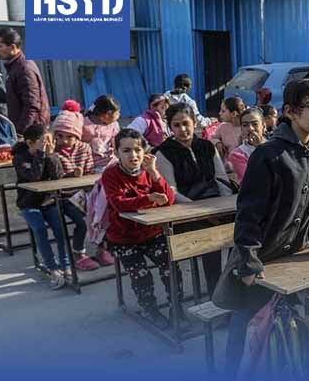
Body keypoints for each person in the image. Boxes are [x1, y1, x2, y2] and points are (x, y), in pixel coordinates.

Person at [214, 78, 309, 375]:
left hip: (291, 254)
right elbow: (248, 214)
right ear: (290, 111)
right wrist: (250, 263)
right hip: (258, 254)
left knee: (288, 330)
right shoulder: (269, 154)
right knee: (245, 324)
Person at [102, 128, 180, 329]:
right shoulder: (111, 174)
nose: (133, 155)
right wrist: (148, 199)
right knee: (142, 275)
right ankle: (150, 310)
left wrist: (154, 173)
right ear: (116, 152)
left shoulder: (148, 171)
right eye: (126, 150)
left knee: (171, 266)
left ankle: (176, 308)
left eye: (137, 150)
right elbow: (119, 203)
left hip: (152, 233)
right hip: (124, 237)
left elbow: (169, 200)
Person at [154, 102, 233, 293]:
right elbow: (171, 190)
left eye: (186, 123)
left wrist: (224, 207)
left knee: (241, 230)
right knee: (211, 240)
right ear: (169, 127)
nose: (182, 129)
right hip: (187, 214)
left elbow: (221, 179)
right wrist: (200, 212)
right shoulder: (163, 152)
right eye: (176, 125)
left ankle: (233, 283)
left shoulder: (207, 146)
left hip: (217, 206)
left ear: (195, 122)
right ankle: (215, 294)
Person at [52, 100, 107, 271]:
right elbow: (53, 176)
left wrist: (88, 186)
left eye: (70, 136)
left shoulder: (84, 148)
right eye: (60, 136)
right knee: (82, 222)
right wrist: (70, 175)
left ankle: (102, 248)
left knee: (103, 214)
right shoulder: (52, 151)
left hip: (83, 193)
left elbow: (90, 171)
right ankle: (79, 254)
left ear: (77, 135)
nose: (64, 140)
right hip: (63, 197)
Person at [13, 125, 69, 289]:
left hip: (48, 201)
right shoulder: (19, 158)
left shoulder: (49, 154)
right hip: (28, 203)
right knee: (39, 229)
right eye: (44, 141)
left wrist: (50, 155)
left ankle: (66, 265)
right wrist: (41, 155)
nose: (49, 143)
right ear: (30, 143)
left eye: (51, 140)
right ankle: (52, 267)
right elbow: (34, 177)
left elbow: (58, 175)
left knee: (60, 228)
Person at [0, 28, 50, 134]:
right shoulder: (14, 67)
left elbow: (32, 105)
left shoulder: (24, 69)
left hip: (32, 134)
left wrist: (20, 133)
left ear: (13, 47)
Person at [82, 94, 121, 172]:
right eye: (117, 113)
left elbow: (117, 144)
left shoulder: (114, 125)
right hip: (90, 164)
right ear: (107, 114)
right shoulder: (83, 123)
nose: (119, 115)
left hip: (110, 161)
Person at [228, 108, 265, 184]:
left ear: (263, 126)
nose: (250, 129)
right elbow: (252, 178)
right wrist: (259, 149)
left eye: (255, 124)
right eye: (245, 125)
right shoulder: (237, 154)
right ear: (241, 128)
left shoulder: (275, 146)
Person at [212, 96, 247, 162]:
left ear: (233, 113)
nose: (219, 113)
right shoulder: (222, 127)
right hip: (228, 164)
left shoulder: (247, 128)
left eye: (223, 111)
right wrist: (217, 142)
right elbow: (212, 138)